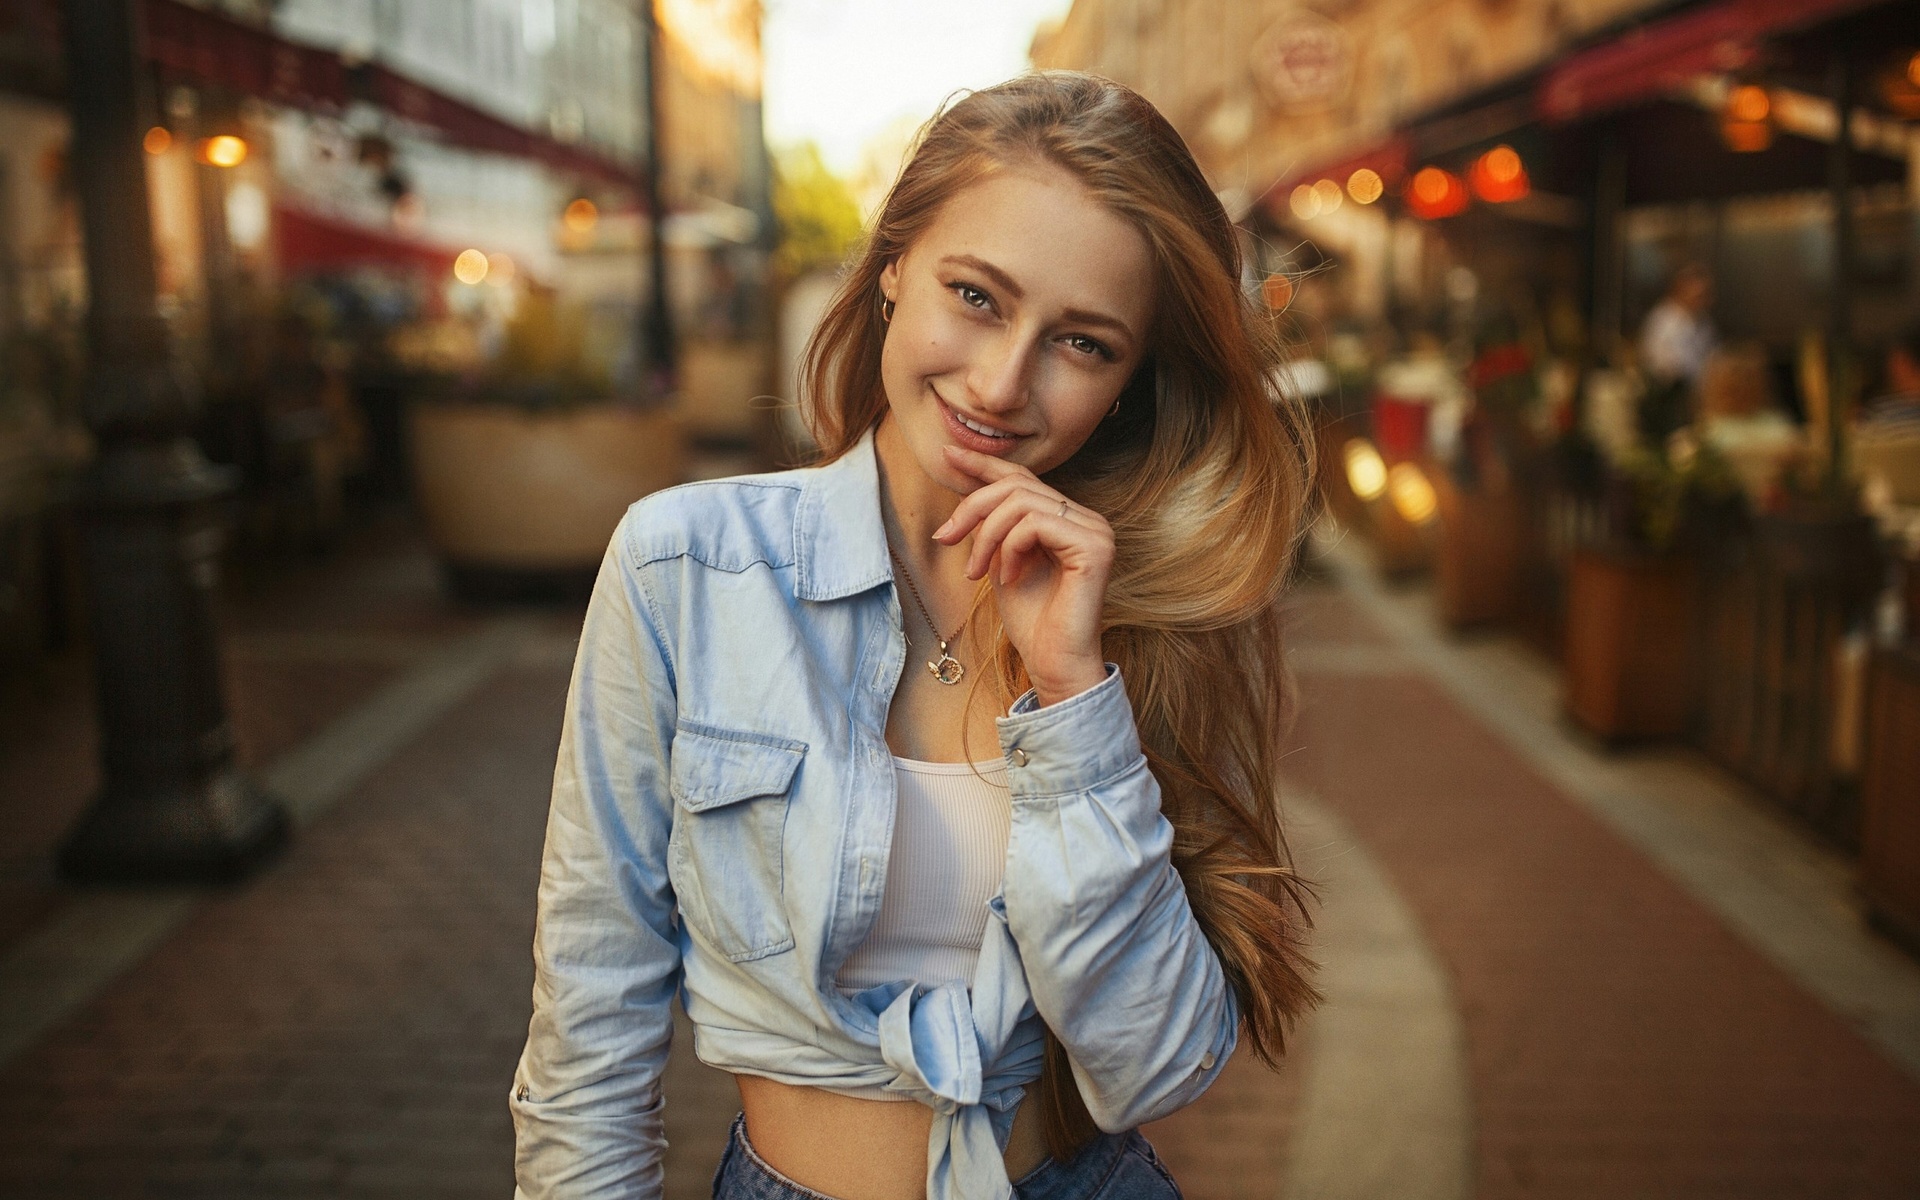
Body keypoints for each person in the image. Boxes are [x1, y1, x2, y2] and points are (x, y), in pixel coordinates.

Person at [511, 72, 1318, 1200]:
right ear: (893, 264)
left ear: (1133, 382)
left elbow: (1158, 1063)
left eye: (1082, 343)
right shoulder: (685, 569)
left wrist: (1074, 695)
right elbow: (591, 1012)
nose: (1002, 382)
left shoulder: (1161, 617)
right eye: (978, 297)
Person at [1638, 262, 1717, 389]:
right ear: (1682, 290)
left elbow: (1713, 355)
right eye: (1699, 296)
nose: (1705, 301)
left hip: (1701, 392)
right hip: (1669, 394)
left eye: (1706, 295)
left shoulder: (1705, 322)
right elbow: (1658, 364)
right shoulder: (1662, 320)